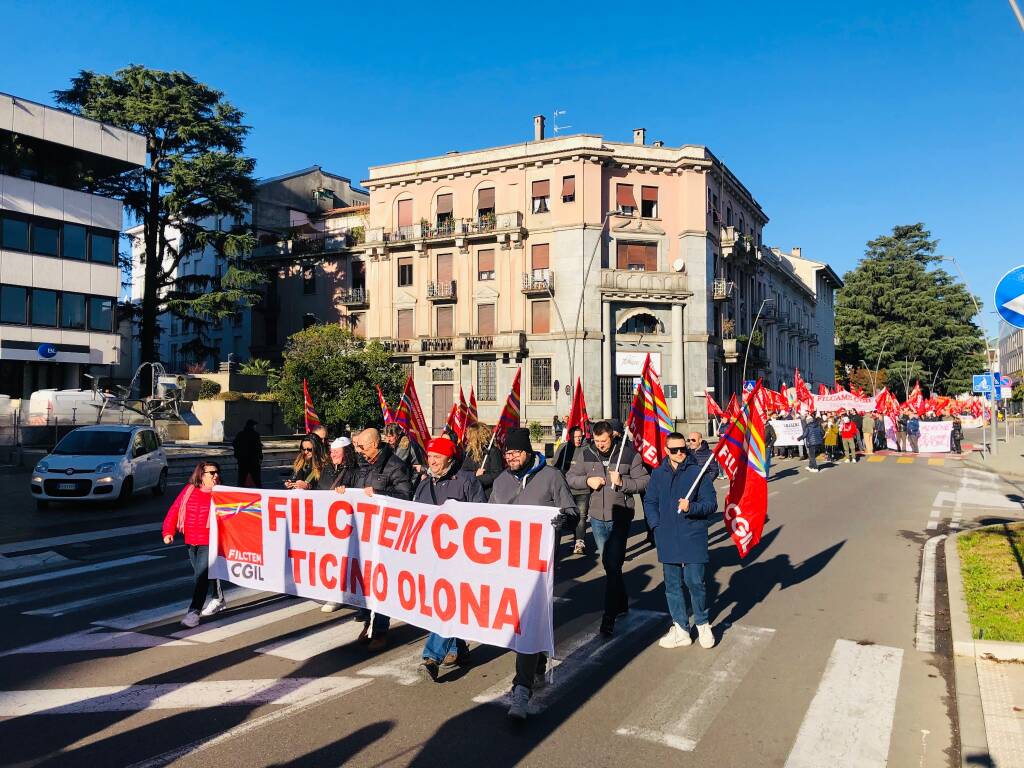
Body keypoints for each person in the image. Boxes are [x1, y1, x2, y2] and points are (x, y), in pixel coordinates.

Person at [489, 428, 577, 721]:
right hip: (509, 562)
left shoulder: (551, 476)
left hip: (540, 565)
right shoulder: (501, 481)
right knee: (524, 620)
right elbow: (488, 519)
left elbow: (572, 511)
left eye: (515, 453)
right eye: (507, 454)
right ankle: (537, 662)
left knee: (527, 621)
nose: (510, 458)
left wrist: (561, 519)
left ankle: (521, 690)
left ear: (527, 452)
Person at [414, 436, 487, 681]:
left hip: (460, 555)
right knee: (442, 602)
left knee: (449, 602)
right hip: (433, 555)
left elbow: (481, 515)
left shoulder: (467, 481)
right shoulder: (424, 484)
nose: (432, 461)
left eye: (437, 457)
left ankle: (432, 656)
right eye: (430, 457)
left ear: (449, 458)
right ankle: (458, 648)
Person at [567, 421, 649, 636]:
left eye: (604, 441)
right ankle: (621, 603)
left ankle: (609, 616)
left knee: (612, 564)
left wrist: (623, 482)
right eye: (597, 441)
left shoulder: (629, 454)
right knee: (611, 565)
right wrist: (587, 480)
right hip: (596, 517)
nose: (600, 445)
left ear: (612, 437)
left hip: (620, 516)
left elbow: (644, 481)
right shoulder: (585, 453)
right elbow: (570, 477)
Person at [335, 428, 414, 650]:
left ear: (375, 445)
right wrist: (344, 491)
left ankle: (380, 630)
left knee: (380, 583)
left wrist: (380, 496)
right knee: (365, 582)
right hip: (364, 533)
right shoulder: (363, 465)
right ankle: (368, 623)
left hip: (384, 534)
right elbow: (355, 489)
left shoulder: (396, 466)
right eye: (357, 446)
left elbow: (406, 496)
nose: (358, 451)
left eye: (362, 446)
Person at [643, 432, 718, 651]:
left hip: (693, 534)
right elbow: (650, 502)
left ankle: (703, 624)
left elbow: (711, 504)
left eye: (683, 449)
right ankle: (681, 628)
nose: (680, 453)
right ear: (666, 451)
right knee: (672, 584)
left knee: (695, 581)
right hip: (667, 535)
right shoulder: (658, 474)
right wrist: (656, 525)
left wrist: (691, 507)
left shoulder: (698, 472)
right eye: (674, 450)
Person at [161, 461, 226, 627]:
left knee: (201, 577)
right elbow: (174, 510)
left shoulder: (222, 493)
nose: (215, 475)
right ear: (201, 475)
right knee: (204, 574)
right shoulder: (189, 490)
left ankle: (194, 612)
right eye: (211, 473)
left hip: (209, 540)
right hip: (190, 540)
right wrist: (168, 532)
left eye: (217, 472)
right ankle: (218, 598)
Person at [319, 436, 361, 615]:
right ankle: (335, 592)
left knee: (347, 558)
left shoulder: (355, 471)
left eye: (336, 451)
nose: (332, 454)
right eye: (331, 451)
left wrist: (346, 493)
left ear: (347, 452)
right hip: (327, 521)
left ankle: (345, 593)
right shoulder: (328, 469)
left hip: (347, 523)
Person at [555, 427, 590, 555]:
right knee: (569, 517)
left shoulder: (587, 450)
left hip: (582, 490)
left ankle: (580, 542)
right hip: (566, 490)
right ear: (570, 436)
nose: (579, 439)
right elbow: (555, 466)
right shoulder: (563, 449)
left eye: (580, 436)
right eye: (576, 437)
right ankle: (574, 539)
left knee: (582, 516)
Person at [459, 422, 503, 498]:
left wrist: (477, 480)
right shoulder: (470, 452)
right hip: (471, 493)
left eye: (470, 434)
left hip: (486, 494)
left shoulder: (493, 451)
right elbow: (462, 472)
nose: (467, 437)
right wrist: (474, 474)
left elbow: (496, 474)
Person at [232, 419, 263, 487]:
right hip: (253, 460)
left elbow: (234, 443)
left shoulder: (240, 434)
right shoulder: (255, 434)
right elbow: (258, 447)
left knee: (241, 479)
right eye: (254, 426)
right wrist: (261, 457)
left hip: (242, 460)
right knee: (257, 479)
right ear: (252, 426)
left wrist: (238, 454)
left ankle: (239, 492)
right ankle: (261, 492)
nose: (255, 427)